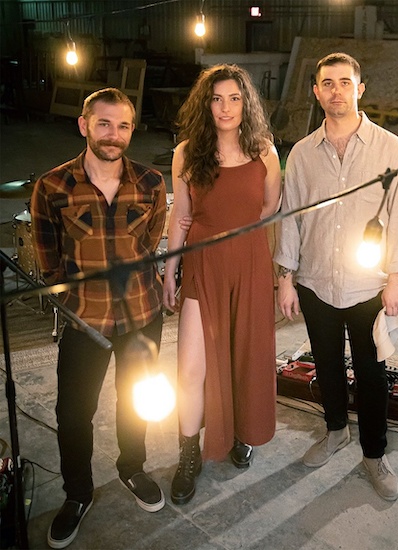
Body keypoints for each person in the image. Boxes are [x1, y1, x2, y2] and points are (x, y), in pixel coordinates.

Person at [31, 88, 168, 549]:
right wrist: (70, 299)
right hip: (84, 320)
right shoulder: (52, 186)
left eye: (123, 125)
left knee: (137, 400)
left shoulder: (151, 182)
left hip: (142, 314)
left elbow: (151, 242)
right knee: (74, 413)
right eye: (104, 123)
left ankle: (132, 467)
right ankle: (77, 493)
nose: (114, 134)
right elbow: (48, 258)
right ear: (84, 125)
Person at [275, 53, 398, 502]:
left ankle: (375, 453)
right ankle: (336, 430)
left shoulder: (389, 149)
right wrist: (286, 277)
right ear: (317, 92)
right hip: (316, 281)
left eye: (345, 82)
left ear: (360, 89)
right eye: (328, 83)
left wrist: (396, 278)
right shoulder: (301, 153)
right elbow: (290, 217)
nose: (337, 91)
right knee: (327, 363)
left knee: (372, 372)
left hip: (367, 285)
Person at [163, 64, 281, 505]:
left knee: (245, 357)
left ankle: (243, 433)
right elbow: (181, 215)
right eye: (216, 99)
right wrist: (170, 270)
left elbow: (269, 208)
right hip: (203, 265)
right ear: (205, 104)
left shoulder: (264, 151)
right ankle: (188, 453)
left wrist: (241, 238)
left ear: (246, 104)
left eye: (234, 98)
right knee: (191, 368)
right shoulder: (186, 153)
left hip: (249, 264)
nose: (225, 108)